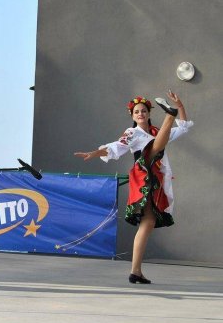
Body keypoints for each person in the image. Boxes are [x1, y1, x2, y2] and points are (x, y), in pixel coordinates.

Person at [74, 90, 193, 284]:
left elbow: (184, 127)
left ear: (148, 114)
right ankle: (169, 115)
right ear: (132, 115)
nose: (140, 114)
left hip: (156, 178)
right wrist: (93, 153)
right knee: (155, 148)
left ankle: (135, 271)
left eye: (144, 111)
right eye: (137, 111)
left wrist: (180, 106)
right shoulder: (132, 133)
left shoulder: (156, 132)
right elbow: (115, 147)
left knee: (148, 222)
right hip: (143, 174)